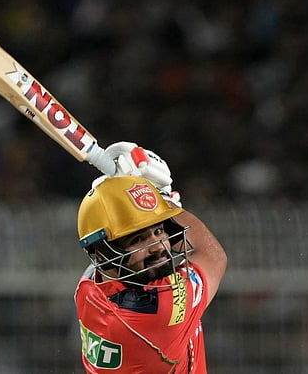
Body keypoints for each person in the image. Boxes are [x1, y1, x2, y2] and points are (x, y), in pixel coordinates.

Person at [74, 142, 227, 373]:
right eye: (138, 240)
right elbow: (213, 256)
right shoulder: (156, 309)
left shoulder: (89, 288)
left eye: (158, 230)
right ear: (103, 253)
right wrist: (161, 198)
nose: (157, 247)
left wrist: (126, 194)